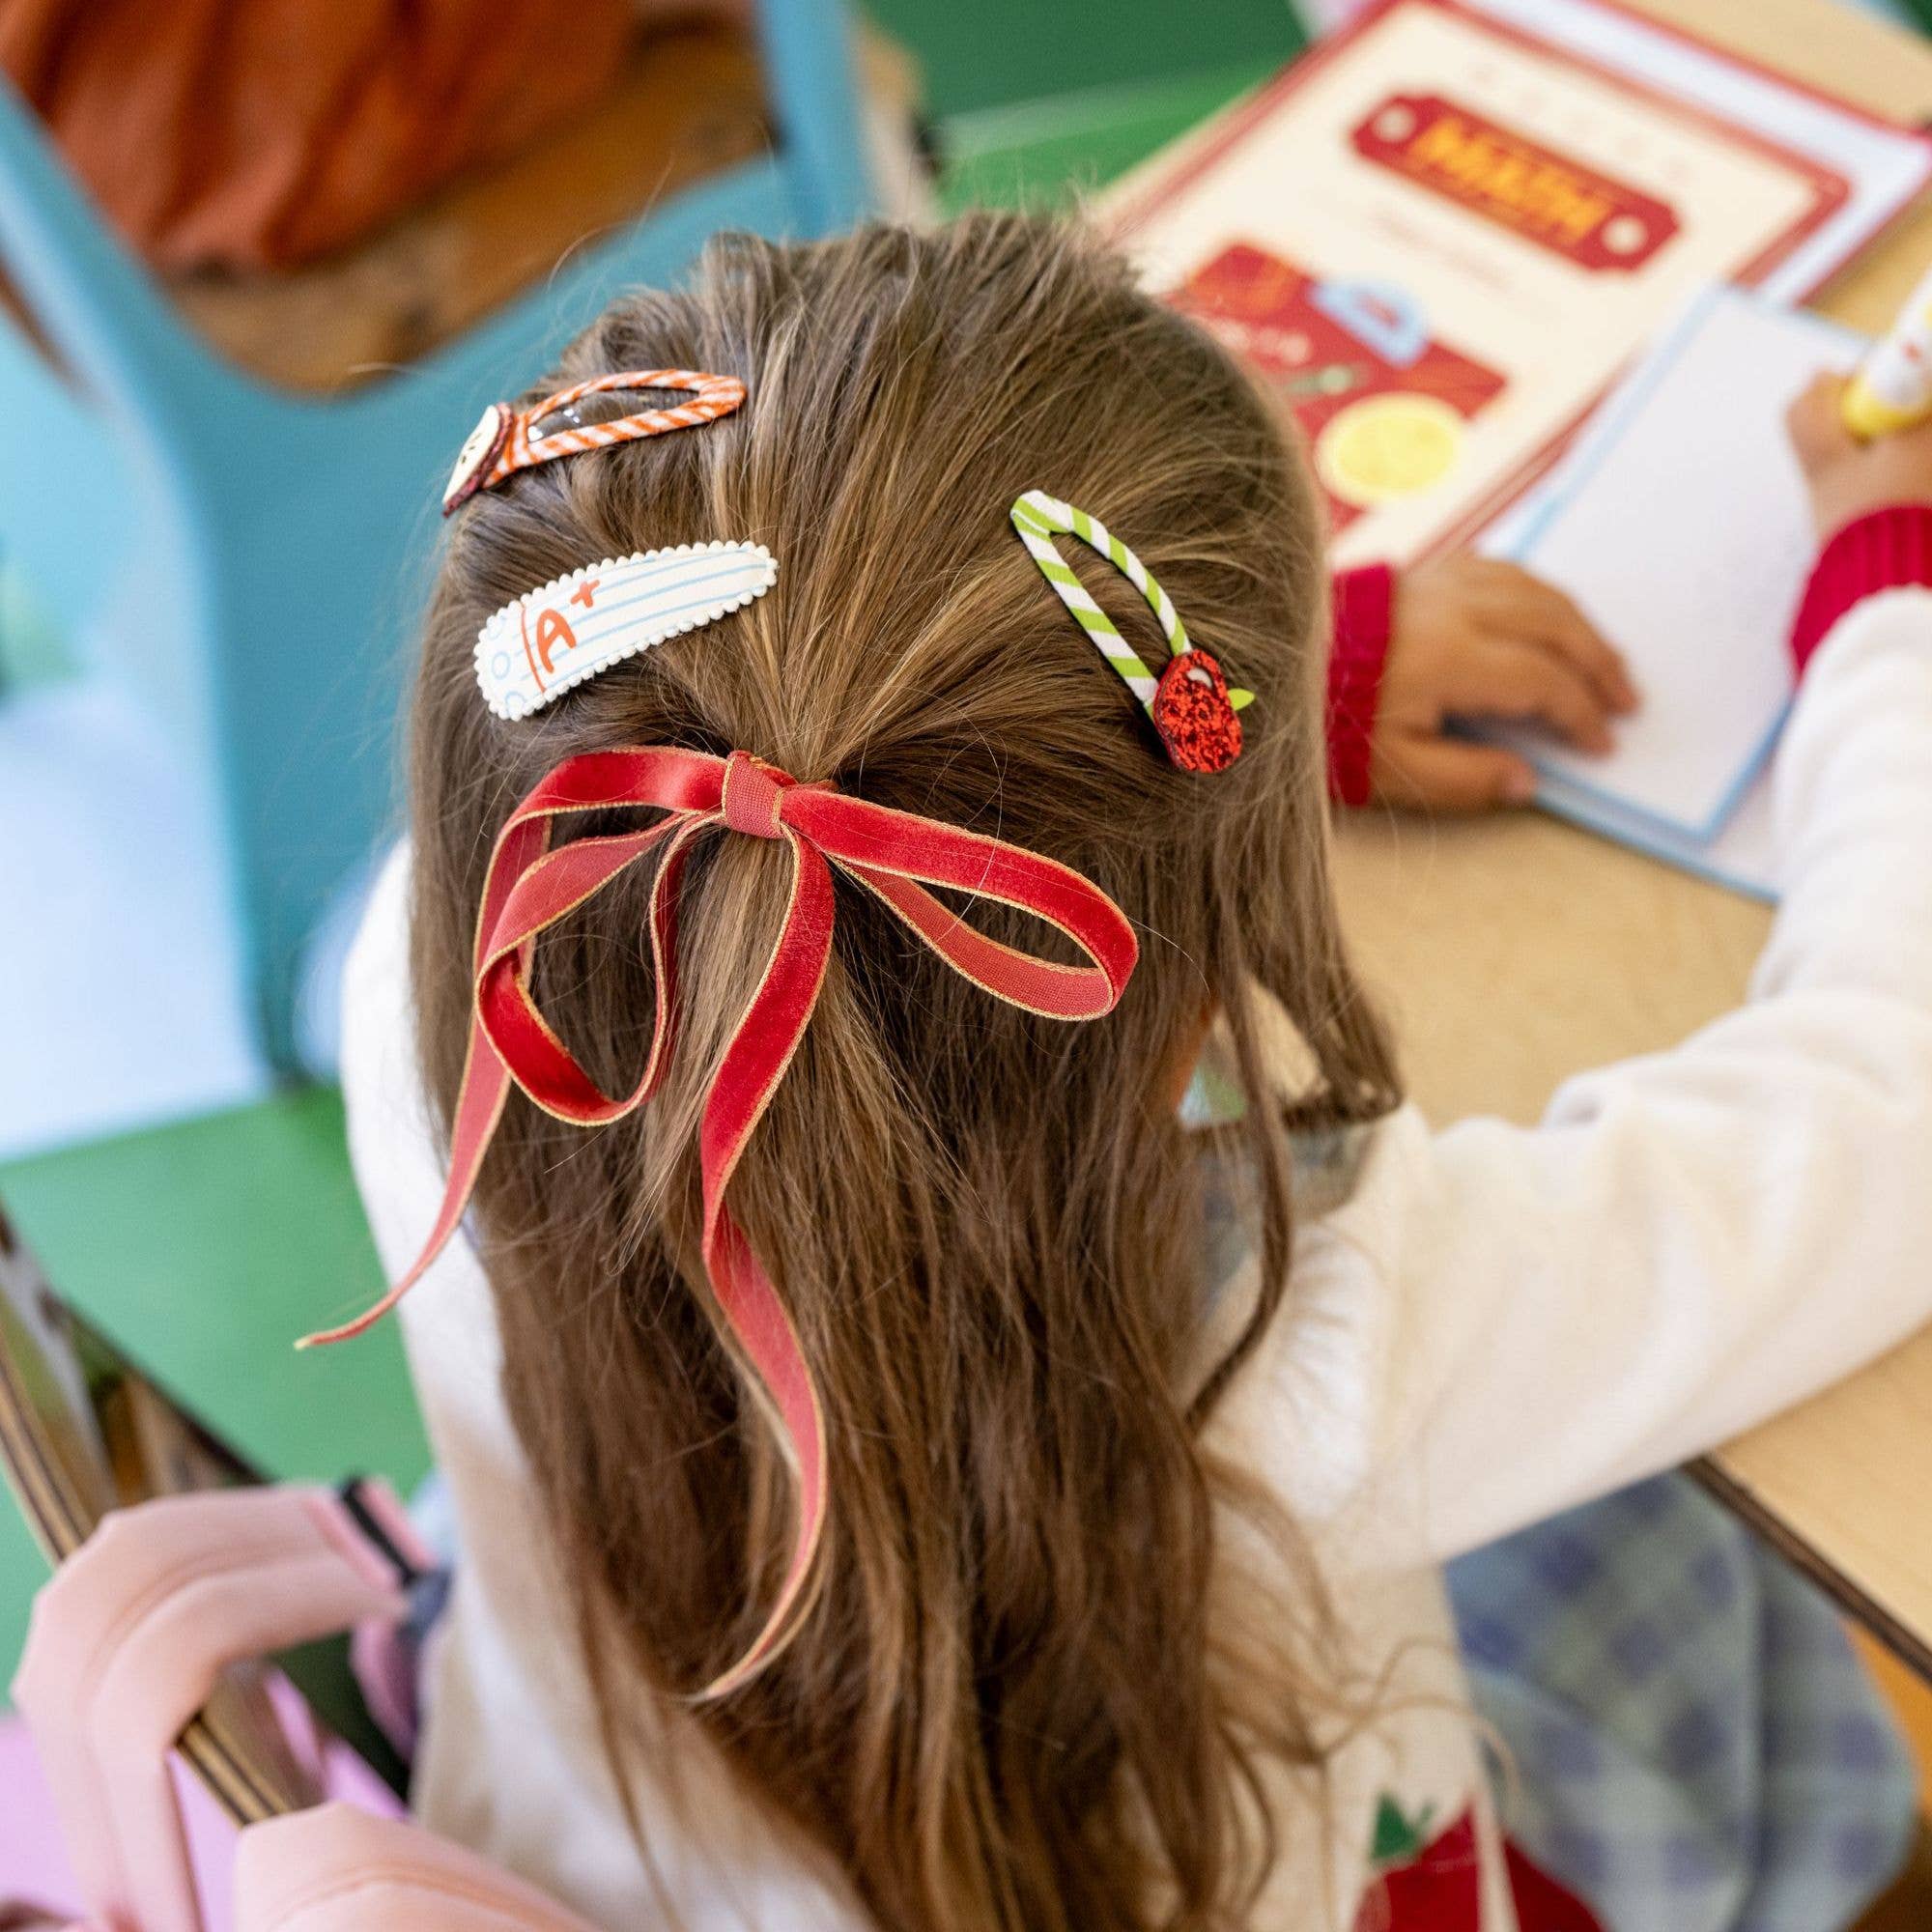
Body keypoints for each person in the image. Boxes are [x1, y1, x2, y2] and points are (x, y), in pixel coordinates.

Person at [336, 214, 1932, 1931]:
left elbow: (787, 760)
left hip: (596, 1855)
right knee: (1721, 1603)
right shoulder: (1302, 1335)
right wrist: (1889, 602)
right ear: (1178, 1008)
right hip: (1241, 1867)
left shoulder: (454, 958)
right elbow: (1887, 1105)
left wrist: (1193, 735)